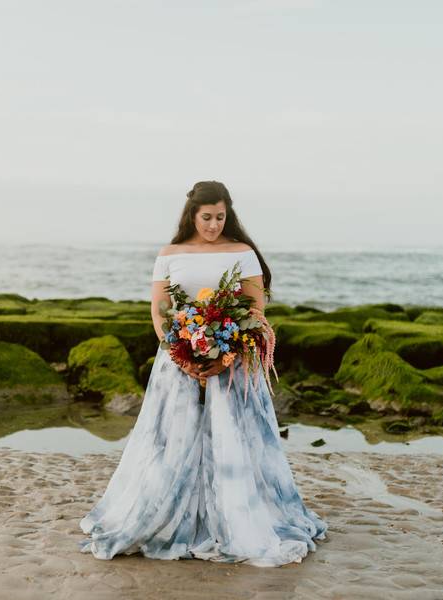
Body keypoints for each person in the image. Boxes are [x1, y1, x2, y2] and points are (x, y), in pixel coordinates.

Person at [77, 181, 327, 567]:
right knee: (174, 441)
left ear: (229, 215)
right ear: (192, 215)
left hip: (234, 361)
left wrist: (226, 356)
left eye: (220, 217)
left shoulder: (242, 252)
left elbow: (255, 311)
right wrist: (179, 353)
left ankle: (234, 518)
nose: (213, 225)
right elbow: (159, 311)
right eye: (206, 217)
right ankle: (171, 519)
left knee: (233, 443)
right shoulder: (170, 254)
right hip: (177, 362)